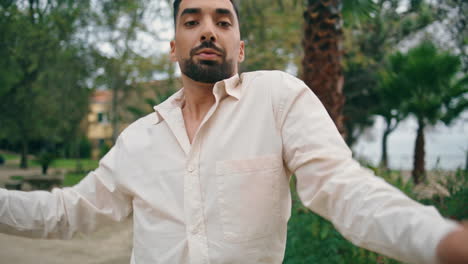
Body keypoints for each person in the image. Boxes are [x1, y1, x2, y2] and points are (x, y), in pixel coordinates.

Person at [1, 0, 467, 263]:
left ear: (239, 47)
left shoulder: (278, 99)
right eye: (193, 21)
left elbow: (342, 187)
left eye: (222, 21)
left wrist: (437, 238)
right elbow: (66, 212)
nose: (208, 30)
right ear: (173, 46)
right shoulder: (137, 140)